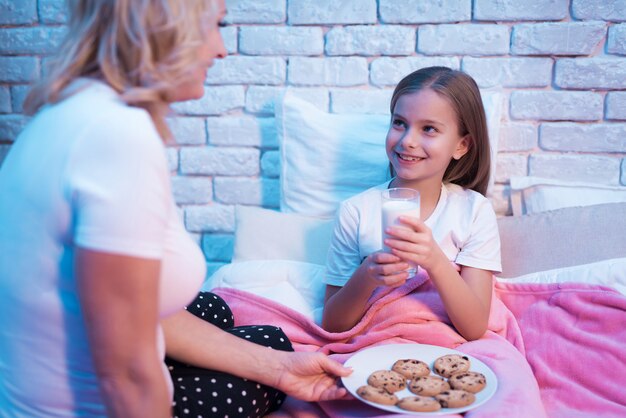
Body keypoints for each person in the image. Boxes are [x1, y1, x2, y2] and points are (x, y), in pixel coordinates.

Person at [0, 1, 350, 417]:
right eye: (214, 26)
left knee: (255, 335)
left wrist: (281, 370)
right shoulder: (116, 137)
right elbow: (127, 374)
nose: (221, 49)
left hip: (42, 377)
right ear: (167, 24)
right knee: (268, 346)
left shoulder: (70, 109)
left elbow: (140, 313)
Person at [322, 66, 500, 338]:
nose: (407, 141)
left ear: (461, 146)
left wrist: (435, 261)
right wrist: (367, 275)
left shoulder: (473, 211)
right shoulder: (356, 211)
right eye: (399, 123)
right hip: (375, 345)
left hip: (443, 347)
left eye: (428, 129)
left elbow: (475, 329)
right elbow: (333, 324)